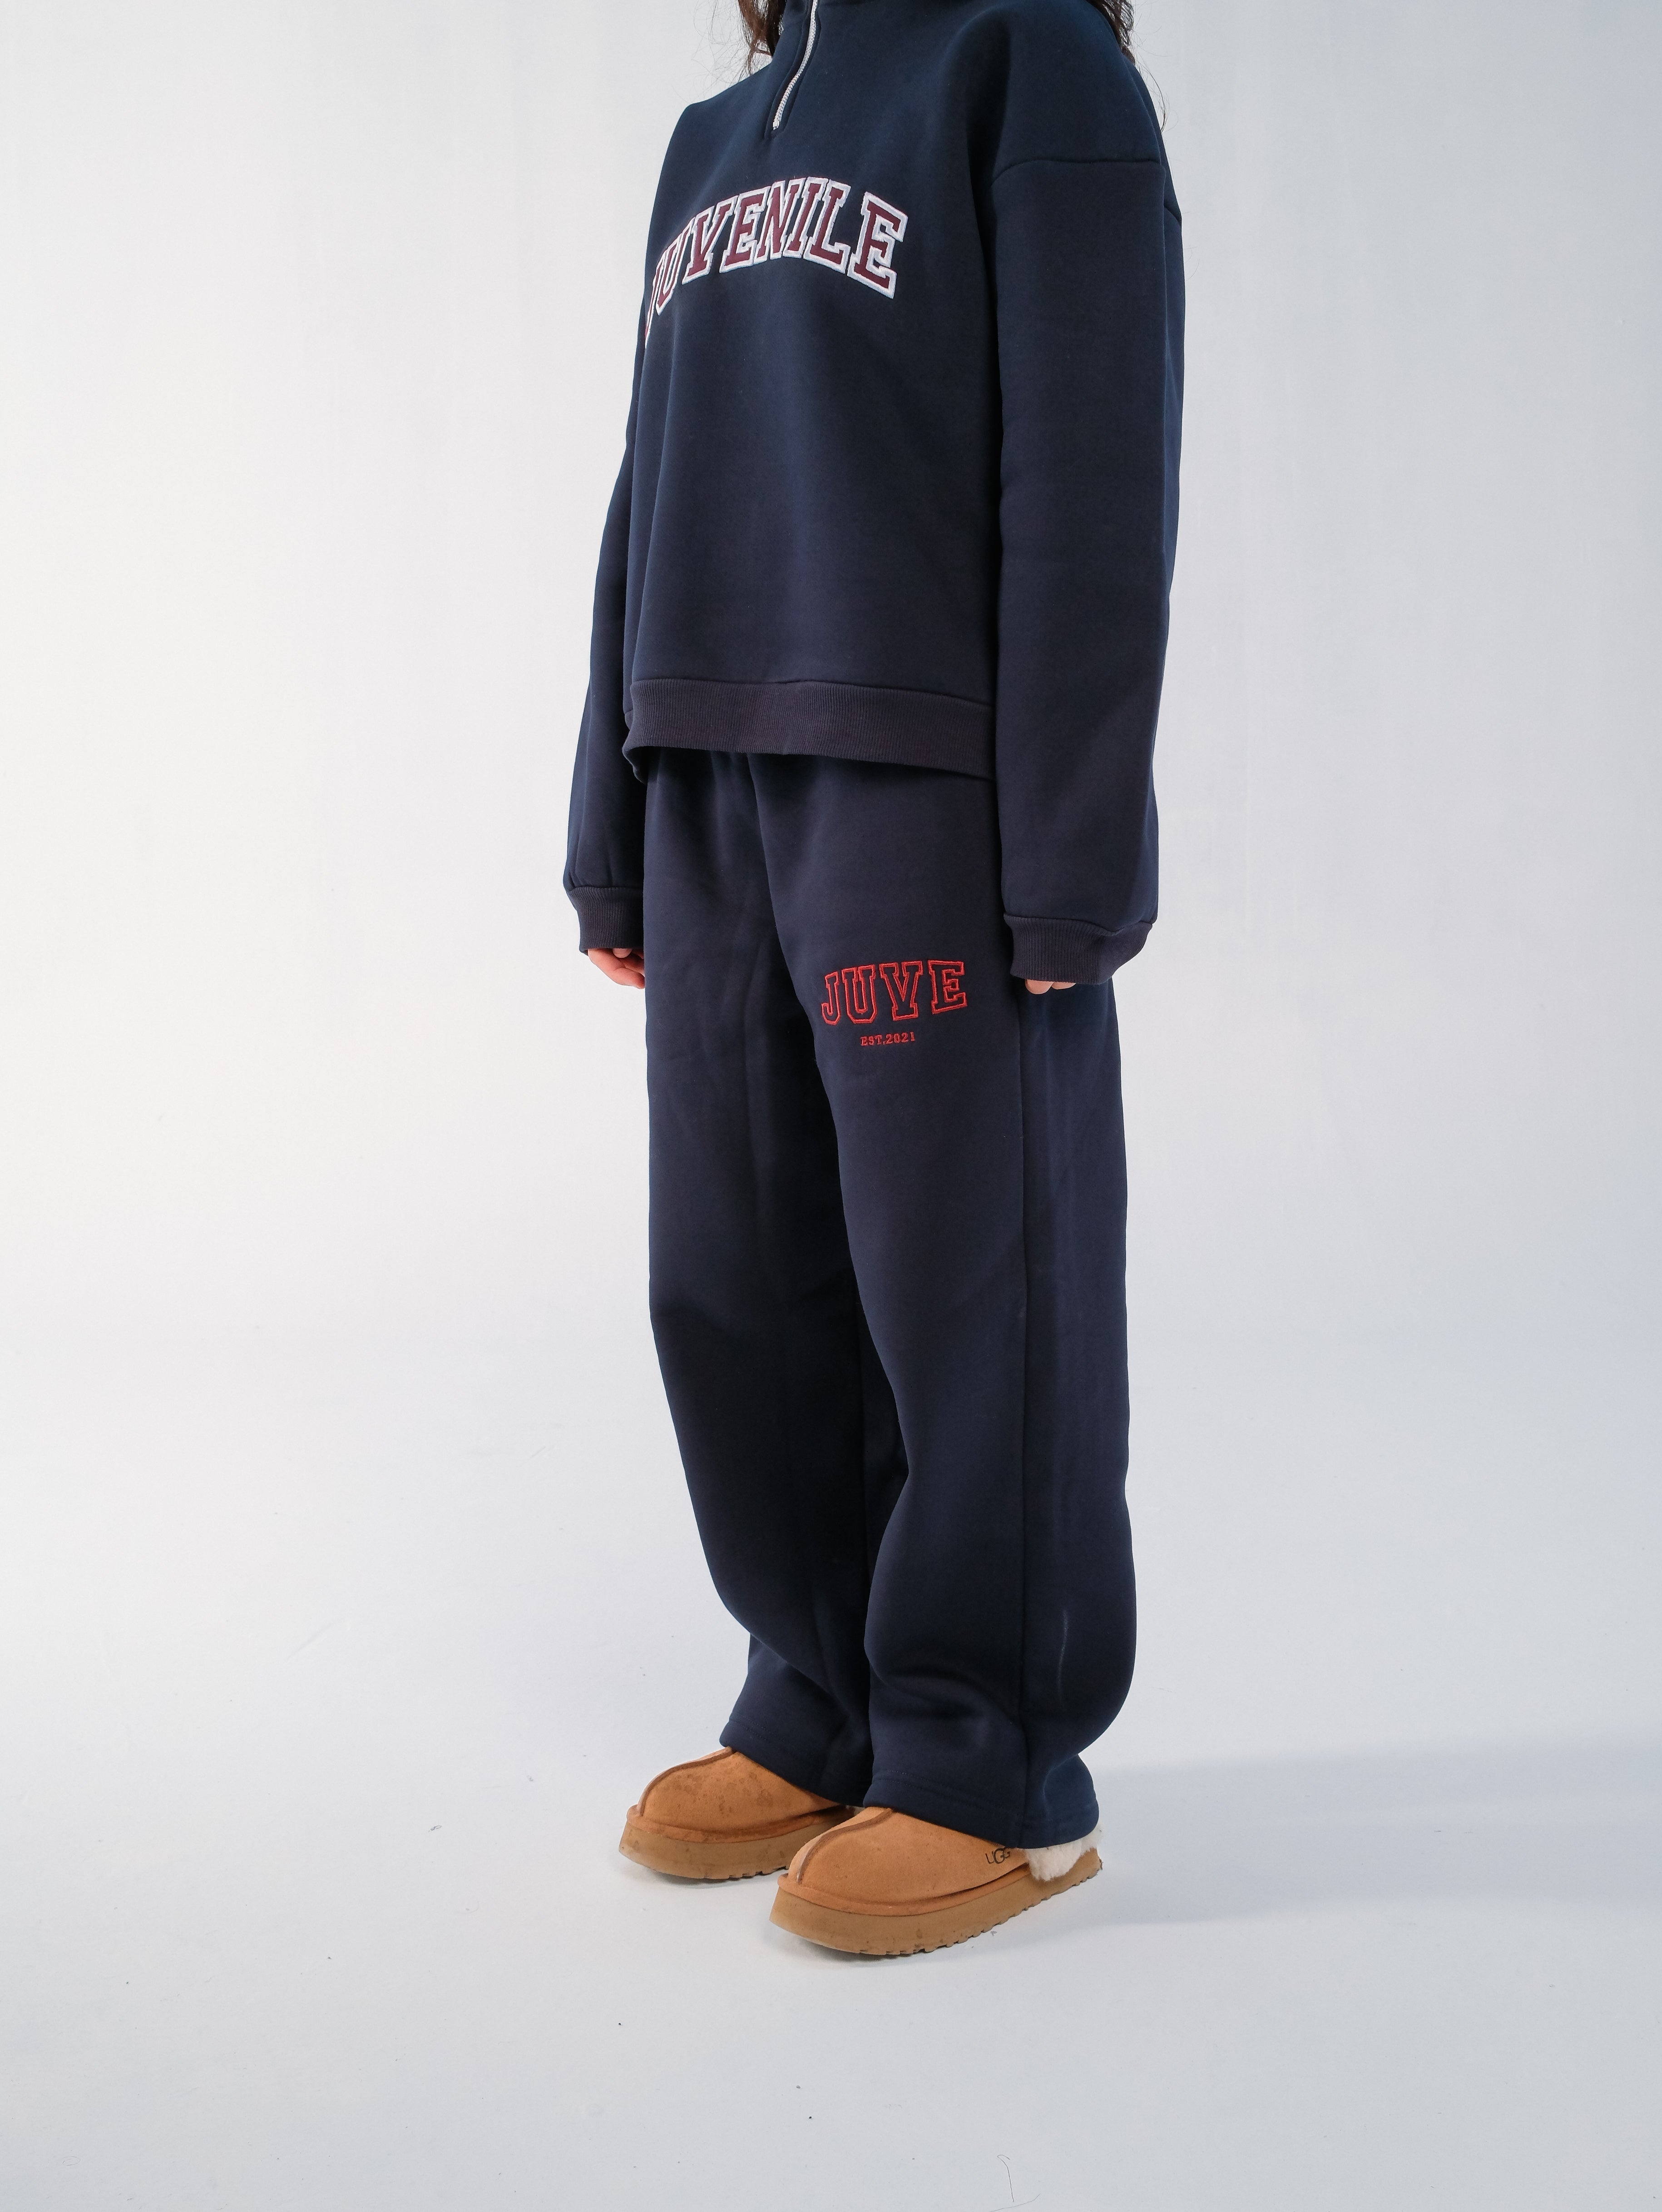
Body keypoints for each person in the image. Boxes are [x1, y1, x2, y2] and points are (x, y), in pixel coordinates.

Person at [564, 0, 1183, 1956]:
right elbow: (648, 481)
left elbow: (1095, 466)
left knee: (967, 1285)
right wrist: (609, 810)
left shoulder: (1030, 60)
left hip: (926, 780)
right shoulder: (714, 134)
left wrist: (1071, 846)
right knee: (735, 1277)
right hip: (706, 771)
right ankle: (821, 1702)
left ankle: (993, 1758)